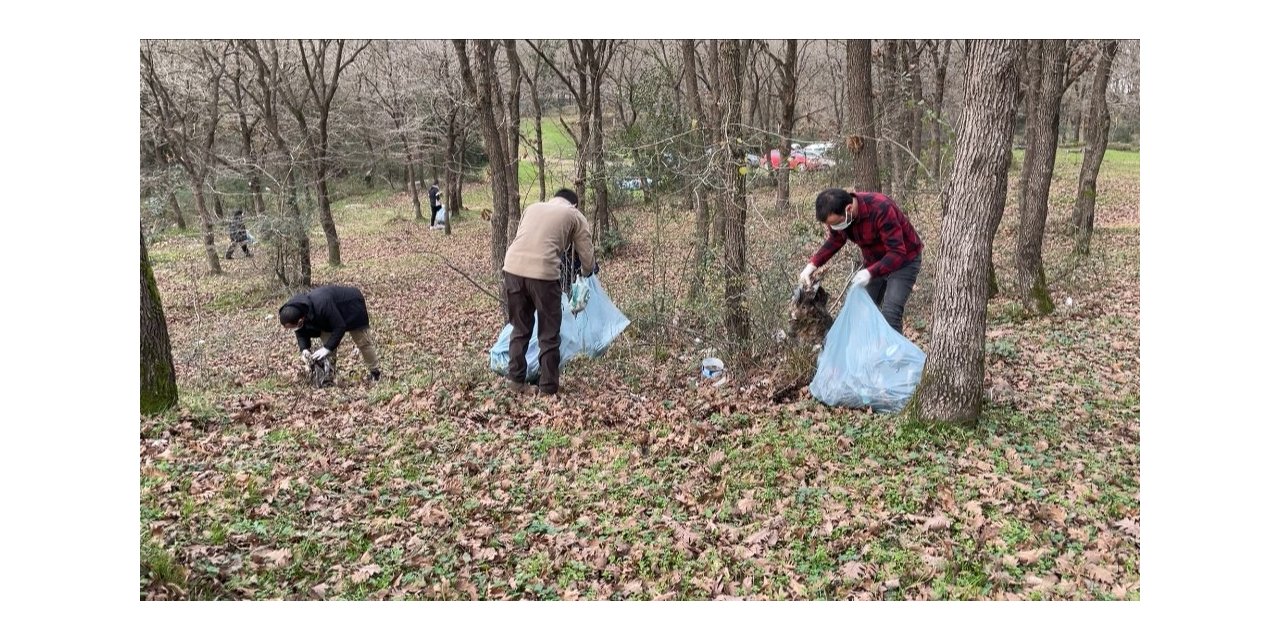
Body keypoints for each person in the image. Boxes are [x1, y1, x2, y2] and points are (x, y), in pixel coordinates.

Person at [502, 188, 595, 396]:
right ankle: (548, 389)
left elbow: (525, 238)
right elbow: (586, 253)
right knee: (548, 333)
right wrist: (587, 272)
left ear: (554, 198)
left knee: (520, 327)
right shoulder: (573, 214)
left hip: (512, 269)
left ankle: (516, 381)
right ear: (574, 204)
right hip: (543, 274)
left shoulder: (533, 208)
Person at [799, 188, 923, 334]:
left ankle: (894, 356)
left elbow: (897, 253)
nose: (835, 227)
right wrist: (812, 264)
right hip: (874, 261)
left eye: (837, 223)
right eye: (831, 225)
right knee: (860, 310)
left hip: (904, 261)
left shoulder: (881, 207)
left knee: (890, 314)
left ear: (849, 209)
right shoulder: (836, 215)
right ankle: (867, 352)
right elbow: (836, 239)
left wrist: (869, 273)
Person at [278, 285, 382, 384]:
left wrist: (327, 348)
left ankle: (375, 372)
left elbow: (340, 326)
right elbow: (300, 332)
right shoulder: (294, 310)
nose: (293, 329)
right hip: (327, 319)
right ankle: (329, 377)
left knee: (363, 342)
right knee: (328, 349)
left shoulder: (322, 305)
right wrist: (304, 349)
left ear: (301, 320)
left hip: (352, 307)